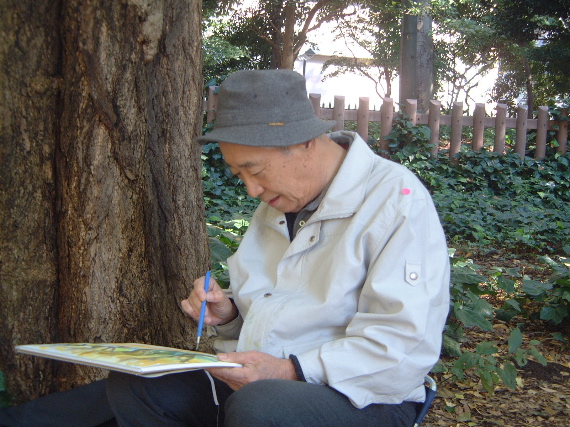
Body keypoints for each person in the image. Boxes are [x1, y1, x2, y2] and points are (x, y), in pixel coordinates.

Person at [1, 69, 449, 427]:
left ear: (305, 142)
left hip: (365, 395)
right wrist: (230, 313)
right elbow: (278, 305)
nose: (251, 190)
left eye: (256, 170)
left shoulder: (396, 201)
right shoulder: (279, 201)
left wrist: (290, 370)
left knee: (261, 408)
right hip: (260, 380)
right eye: (239, 175)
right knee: (136, 387)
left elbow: (401, 347)